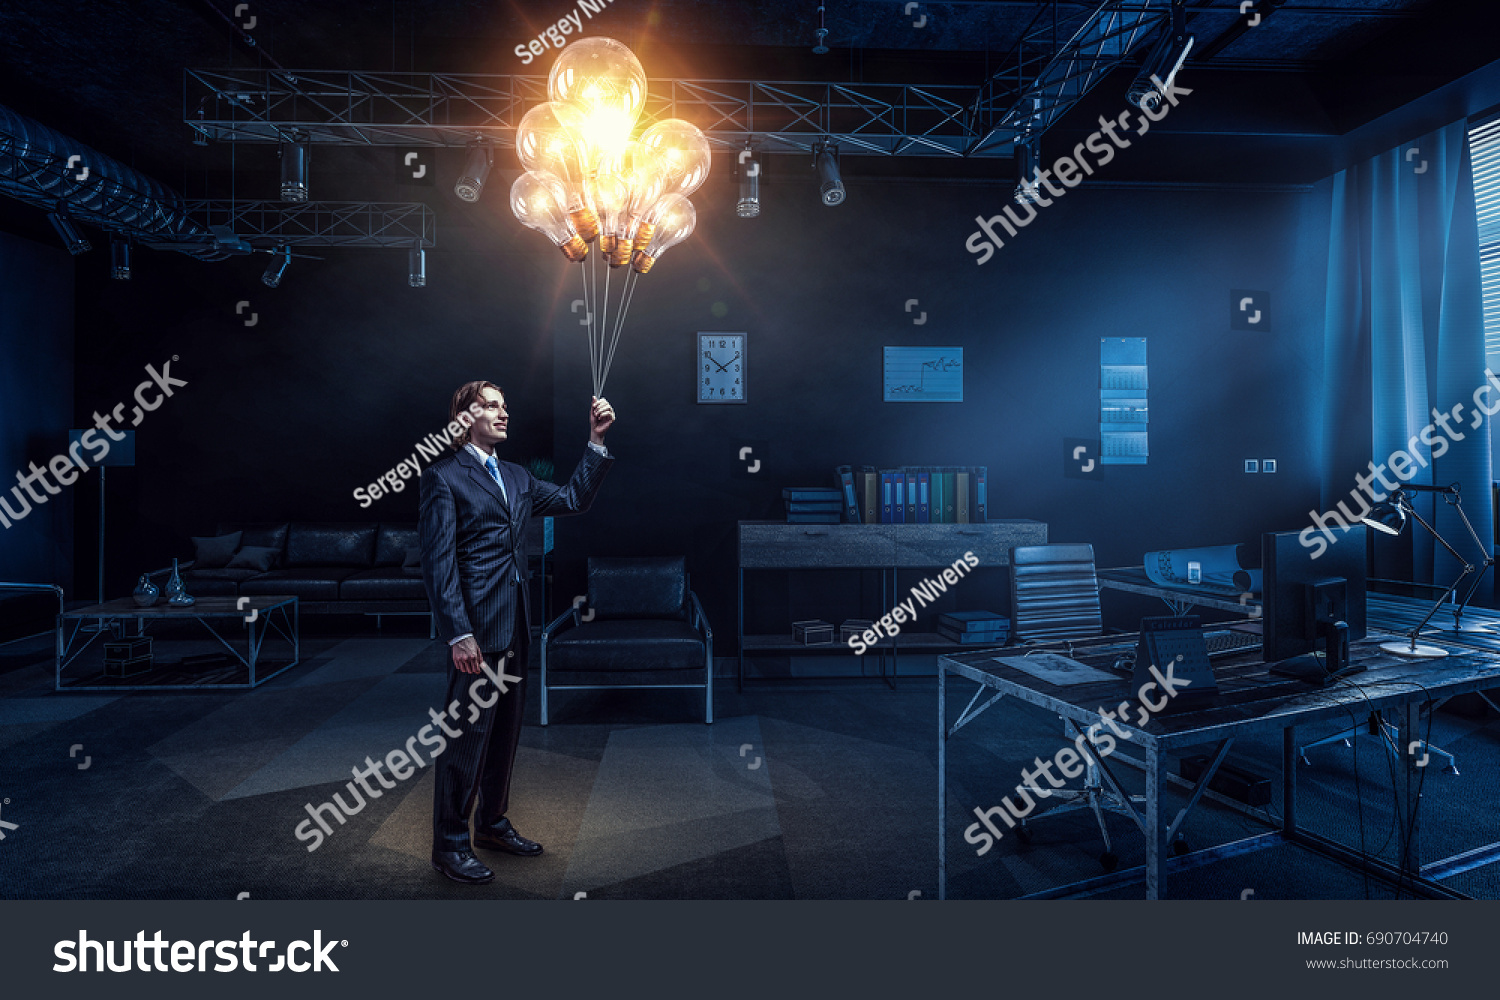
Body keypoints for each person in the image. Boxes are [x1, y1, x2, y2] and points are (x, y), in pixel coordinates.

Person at [419, 380, 614, 884]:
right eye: (490, 405)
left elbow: (574, 499)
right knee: (465, 737)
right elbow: (438, 564)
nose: (503, 413)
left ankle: (491, 824)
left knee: (503, 735)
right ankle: (450, 845)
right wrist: (458, 633)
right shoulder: (444, 478)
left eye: (505, 405)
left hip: (516, 626)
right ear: (464, 418)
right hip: (477, 632)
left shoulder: (517, 477)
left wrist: (595, 442)